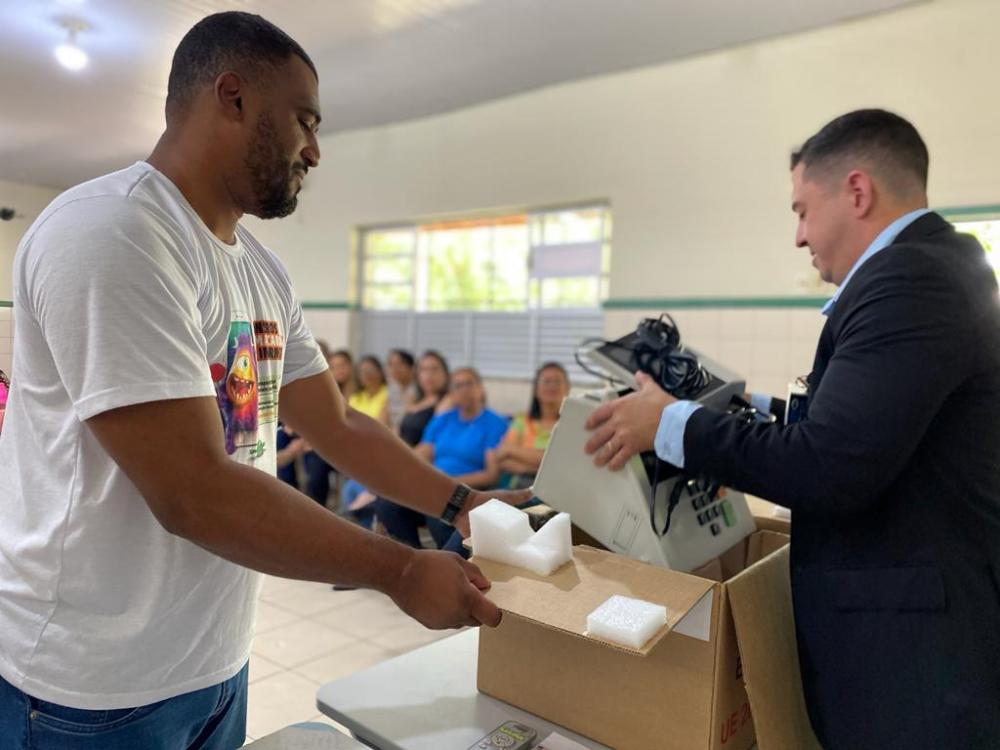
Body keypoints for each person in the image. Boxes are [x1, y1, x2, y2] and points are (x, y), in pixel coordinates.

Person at [0, 13, 529, 749]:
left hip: (209, 660)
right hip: (88, 687)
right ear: (233, 97)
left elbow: (336, 426)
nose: (314, 149)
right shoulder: (113, 235)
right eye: (304, 121)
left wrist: (462, 502)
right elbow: (193, 492)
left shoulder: (258, 269)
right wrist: (402, 570)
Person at [584, 109, 1000, 750]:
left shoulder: (908, 281)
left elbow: (827, 465)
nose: (799, 237)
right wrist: (753, 406)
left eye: (803, 211)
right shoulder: (943, 269)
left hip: (914, 659)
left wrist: (668, 424)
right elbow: (872, 429)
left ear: (857, 192)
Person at [377, 367, 509, 549]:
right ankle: (412, 558)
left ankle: (446, 563)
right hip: (433, 486)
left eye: (469, 383)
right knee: (388, 502)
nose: (463, 390)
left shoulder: (494, 422)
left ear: (480, 388)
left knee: (439, 507)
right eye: (457, 386)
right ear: (451, 393)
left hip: (466, 491)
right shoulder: (443, 420)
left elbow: (491, 474)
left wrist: (449, 483)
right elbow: (422, 454)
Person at [485, 361, 571, 490]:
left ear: (568, 388)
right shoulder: (522, 421)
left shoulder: (572, 424)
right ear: (536, 390)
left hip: (557, 490)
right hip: (518, 489)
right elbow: (503, 459)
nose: (552, 387)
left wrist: (513, 451)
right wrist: (543, 465)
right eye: (547, 382)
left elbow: (565, 464)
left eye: (557, 382)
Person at [302, 348, 356, 506]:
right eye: (333, 366)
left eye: (342, 365)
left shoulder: (358, 393)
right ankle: (317, 507)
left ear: (351, 366)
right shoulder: (329, 391)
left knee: (317, 456)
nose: (338, 370)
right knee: (314, 456)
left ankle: (317, 505)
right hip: (332, 444)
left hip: (351, 446)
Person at [340, 355, 390, 519]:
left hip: (376, 448)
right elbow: (345, 424)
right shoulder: (356, 397)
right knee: (348, 490)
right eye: (362, 371)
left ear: (380, 372)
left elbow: (379, 427)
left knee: (355, 490)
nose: (366, 374)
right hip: (356, 448)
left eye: (370, 370)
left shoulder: (386, 394)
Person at [383, 348, 418, 431]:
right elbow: (384, 416)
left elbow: (405, 420)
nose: (395, 368)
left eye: (400, 364)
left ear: (411, 367)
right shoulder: (392, 387)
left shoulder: (417, 388)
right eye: (391, 364)